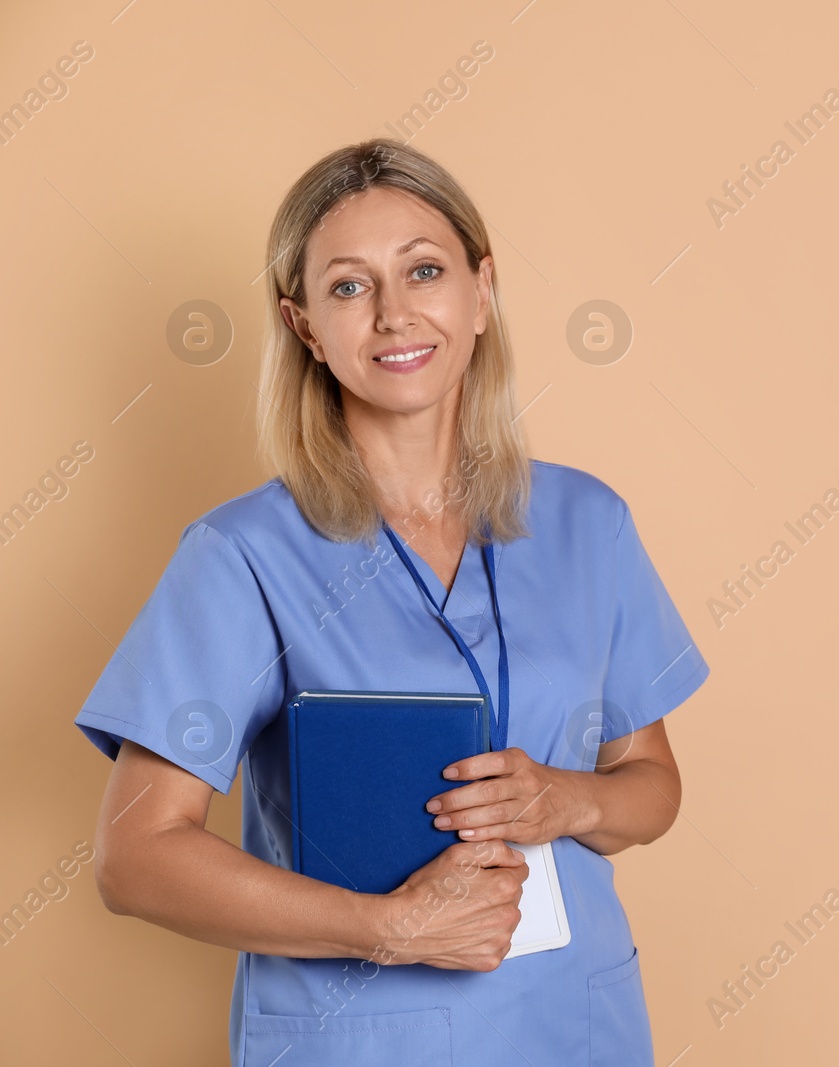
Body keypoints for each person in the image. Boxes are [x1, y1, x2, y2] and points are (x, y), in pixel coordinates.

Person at [72, 138, 709, 1066]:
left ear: (481, 292)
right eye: (348, 286)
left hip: (570, 1024)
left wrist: (561, 800)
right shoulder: (242, 555)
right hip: (356, 1036)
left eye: (424, 270)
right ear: (302, 325)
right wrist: (391, 928)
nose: (394, 314)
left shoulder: (586, 523)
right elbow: (133, 858)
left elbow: (651, 786)